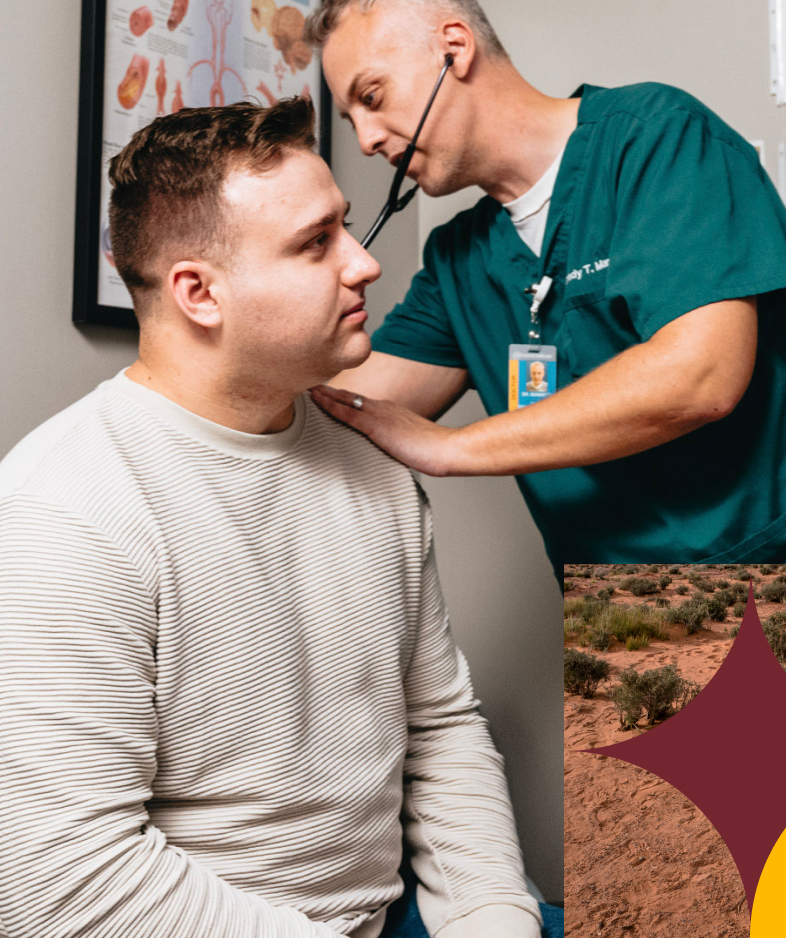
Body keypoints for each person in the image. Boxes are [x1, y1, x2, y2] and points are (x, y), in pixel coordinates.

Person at [0, 98, 560, 938]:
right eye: (315, 243)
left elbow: (438, 728)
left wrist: (493, 918)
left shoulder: (369, 461)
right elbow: (62, 880)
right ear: (198, 293)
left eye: (346, 227)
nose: (364, 266)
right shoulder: (66, 508)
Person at [304, 0, 786, 565]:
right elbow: (346, 411)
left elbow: (700, 377)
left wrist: (452, 449)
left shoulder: (657, 137)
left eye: (374, 96)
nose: (364, 140)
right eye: (351, 113)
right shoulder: (459, 259)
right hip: (627, 621)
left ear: (454, 48)